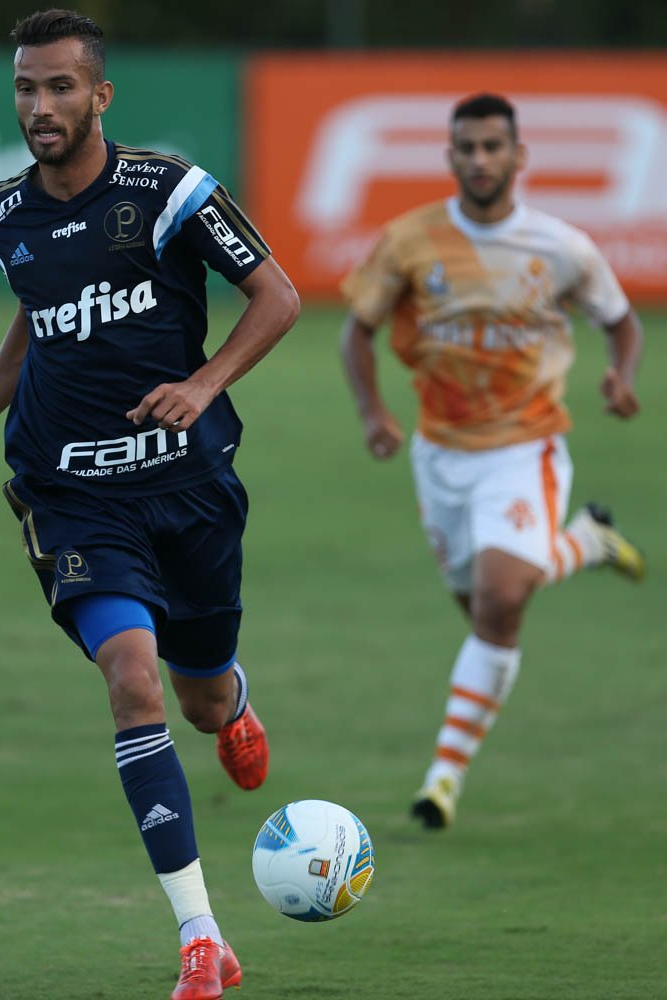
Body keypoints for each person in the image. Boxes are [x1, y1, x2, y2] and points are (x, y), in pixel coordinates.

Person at [0, 10, 299, 998]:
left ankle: (231, 699)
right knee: (131, 679)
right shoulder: (0, 214)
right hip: (68, 491)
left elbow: (276, 295)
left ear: (99, 95)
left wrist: (202, 384)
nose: (40, 106)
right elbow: (38, 318)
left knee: (194, 695)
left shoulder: (171, 192)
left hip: (188, 487)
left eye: (61, 86)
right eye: (26, 88)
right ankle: (202, 937)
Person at [339, 92, 644, 831]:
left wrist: (620, 375)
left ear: (517, 156)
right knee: (481, 608)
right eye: (465, 148)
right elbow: (357, 331)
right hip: (439, 456)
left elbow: (621, 321)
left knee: (501, 604)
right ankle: (586, 542)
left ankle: (441, 780)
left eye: (491, 147)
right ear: (449, 158)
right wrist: (374, 413)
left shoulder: (559, 246)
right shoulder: (409, 240)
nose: (479, 160)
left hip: (524, 446)